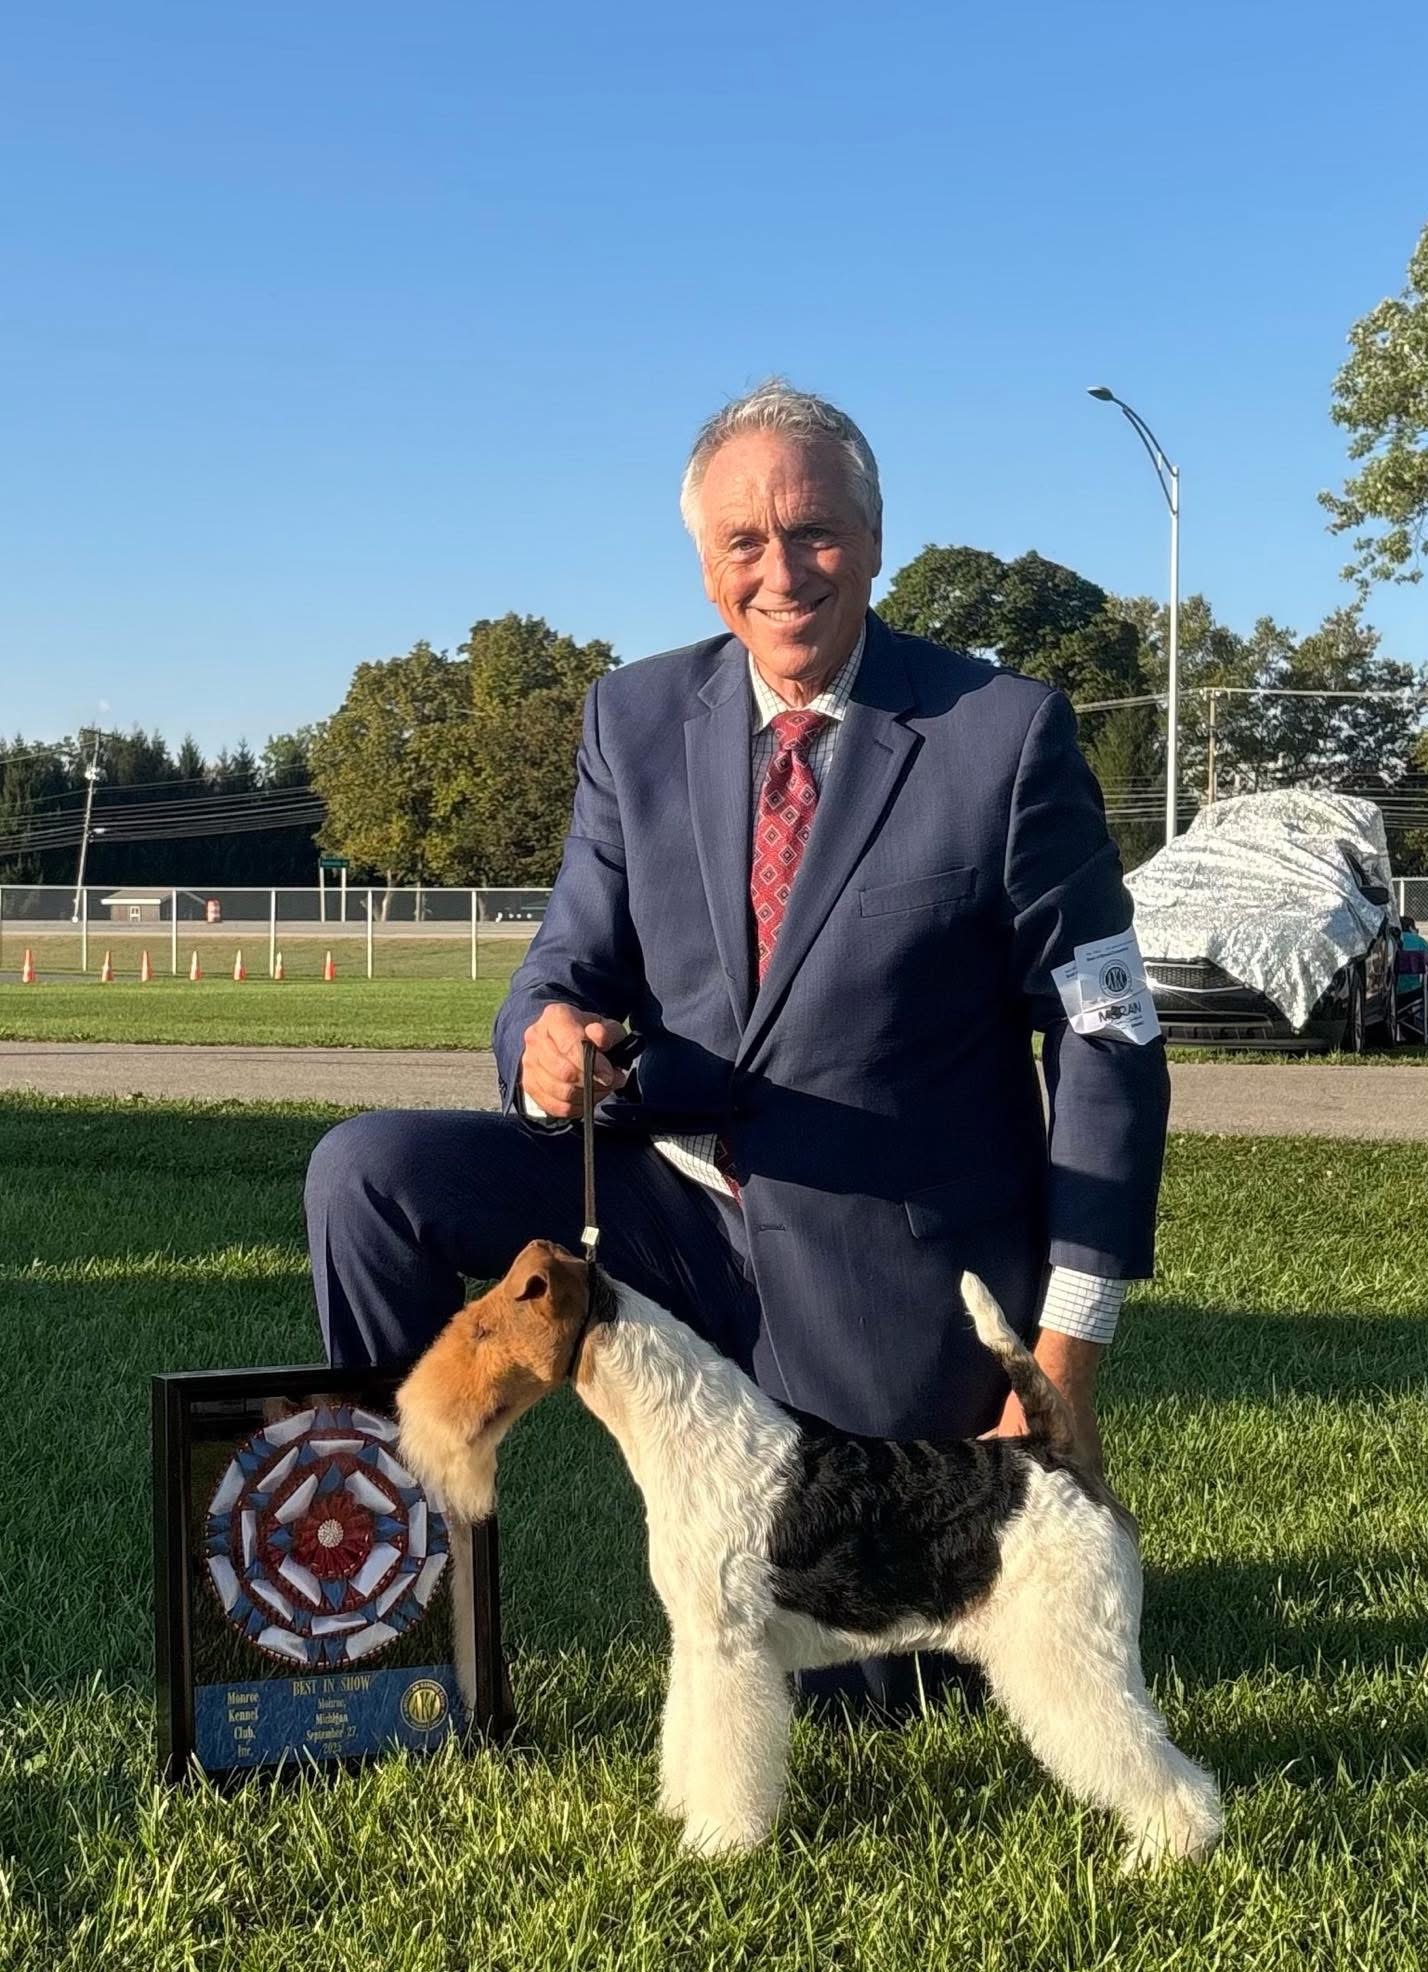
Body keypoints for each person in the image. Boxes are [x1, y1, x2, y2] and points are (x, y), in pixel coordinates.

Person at [304, 380, 1169, 1714]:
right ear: (704, 562)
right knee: (366, 1175)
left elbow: (1107, 1044)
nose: (780, 571)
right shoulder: (632, 716)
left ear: (871, 539)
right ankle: (394, 1599)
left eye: (812, 531)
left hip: (881, 1251)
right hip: (663, 1203)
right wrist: (540, 1037)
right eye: (742, 543)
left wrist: (1062, 1358)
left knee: (873, 1688)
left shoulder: (1004, 735)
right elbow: (564, 960)